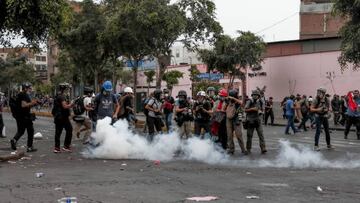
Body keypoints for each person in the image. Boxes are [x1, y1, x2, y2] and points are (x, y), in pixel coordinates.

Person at [10, 83, 39, 152]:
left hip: (19, 116)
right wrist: (32, 103)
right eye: (29, 88)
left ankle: (14, 140)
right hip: (24, 116)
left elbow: (22, 105)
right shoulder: (24, 95)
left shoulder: (19, 94)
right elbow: (23, 105)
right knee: (30, 131)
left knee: (21, 131)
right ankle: (29, 147)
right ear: (25, 88)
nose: (30, 89)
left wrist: (32, 104)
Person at [52, 83, 74, 153]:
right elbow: (65, 106)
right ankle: (66, 146)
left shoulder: (57, 95)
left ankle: (57, 148)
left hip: (58, 117)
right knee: (69, 129)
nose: (68, 90)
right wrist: (71, 104)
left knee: (58, 132)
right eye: (67, 89)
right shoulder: (62, 96)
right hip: (63, 117)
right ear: (64, 89)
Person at [244, 90, 267, 154]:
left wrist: (260, 111)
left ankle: (263, 148)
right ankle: (248, 149)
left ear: (258, 96)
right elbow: (245, 110)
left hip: (258, 121)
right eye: (254, 95)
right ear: (252, 95)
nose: (255, 96)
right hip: (250, 121)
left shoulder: (261, 102)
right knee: (249, 136)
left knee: (261, 135)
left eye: (256, 95)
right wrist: (252, 109)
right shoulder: (249, 101)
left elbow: (263, 111)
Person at [225, 89, 247, 155]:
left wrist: (233, 98)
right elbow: (224, 107)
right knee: (229, 135)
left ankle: (243, 149)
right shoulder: (228, 101)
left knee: (239, 135)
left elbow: (241, 103)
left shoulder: (237, 101)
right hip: (229, 119)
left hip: (236, 119)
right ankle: (231, 149)